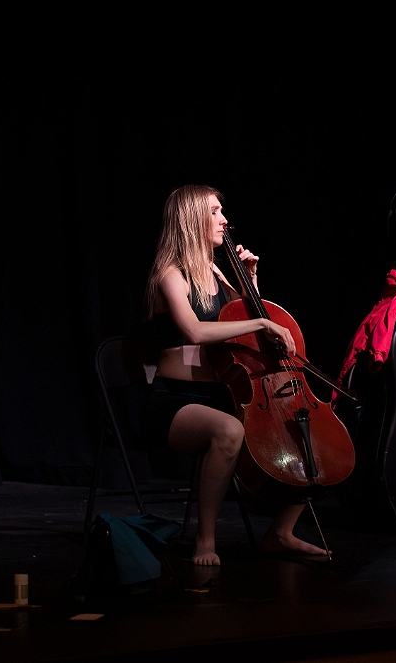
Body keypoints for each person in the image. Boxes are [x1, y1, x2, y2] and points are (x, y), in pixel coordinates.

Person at [141, 183, 330, 566]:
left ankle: (281, 533)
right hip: (175, 401)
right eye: (214, 212)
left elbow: (245, 326)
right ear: (191, 219)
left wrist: (250, 283)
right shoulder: (169, 274)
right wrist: (261, 317)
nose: (224, 220)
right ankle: (205, 540)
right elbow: (194, 330)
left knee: (307, 431)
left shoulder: (214, 269)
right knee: (229, 431)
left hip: (223, 394)